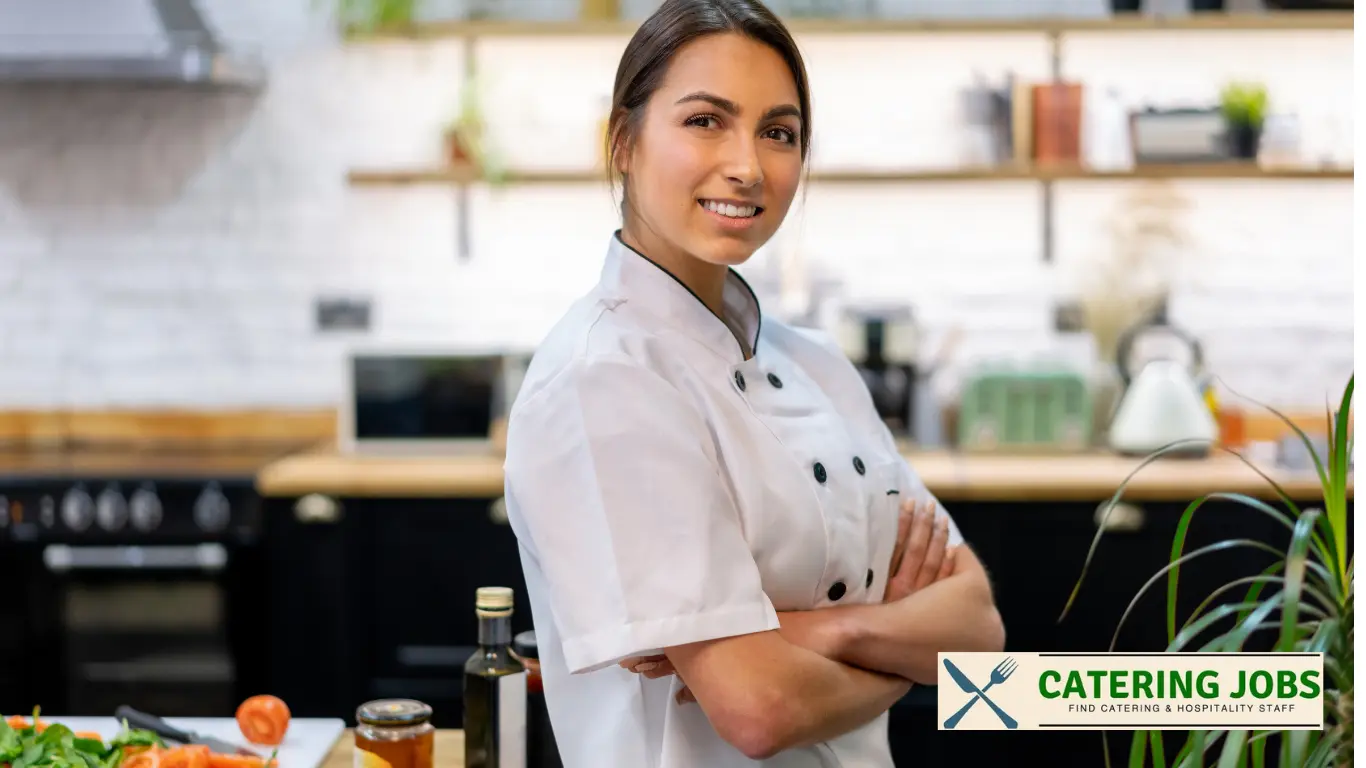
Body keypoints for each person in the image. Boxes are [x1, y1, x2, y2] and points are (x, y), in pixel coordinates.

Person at [501, 0, 1006, 763]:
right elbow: (759, 709)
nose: (747, 164)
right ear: (624, 141)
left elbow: (980, 634)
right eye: (706, 120)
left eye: (779, 132)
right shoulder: (602, 383)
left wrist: (815, 633)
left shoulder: (820, 368)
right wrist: (907, 656)